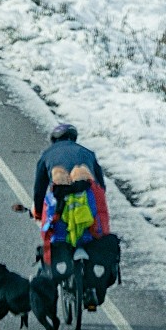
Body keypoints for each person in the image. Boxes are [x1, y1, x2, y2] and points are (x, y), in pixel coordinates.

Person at [28, 123, 114, 309]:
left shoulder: (47, 155)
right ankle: (91, 288)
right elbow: (101, 186)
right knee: (93, 239)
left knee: (55, 238)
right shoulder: (88, 153)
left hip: (60, 209)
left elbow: (39, 190)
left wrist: (36, 211)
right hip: (87, 208)